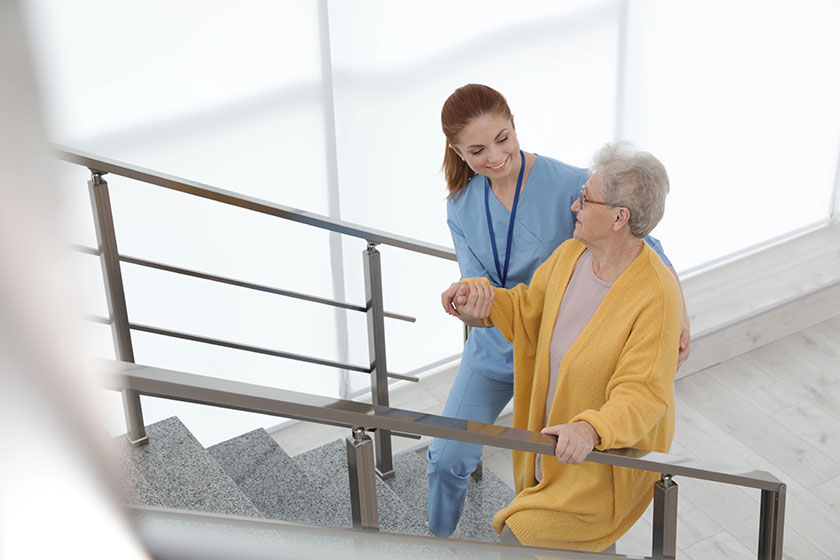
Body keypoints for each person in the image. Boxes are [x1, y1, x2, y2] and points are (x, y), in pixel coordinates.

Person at [425, 83, 690, 538]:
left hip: (565, 355)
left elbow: (645, 243)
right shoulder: (462, 207)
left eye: (503, 138)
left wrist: (678, 313)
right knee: (448, 456)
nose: (495, 156)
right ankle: (436, 537)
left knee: (566, 472)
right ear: (458, 152)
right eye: (478, 149)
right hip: (499, 342)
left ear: (514, 126)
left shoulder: (575, 185)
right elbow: (482, 285)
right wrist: (472, 304)